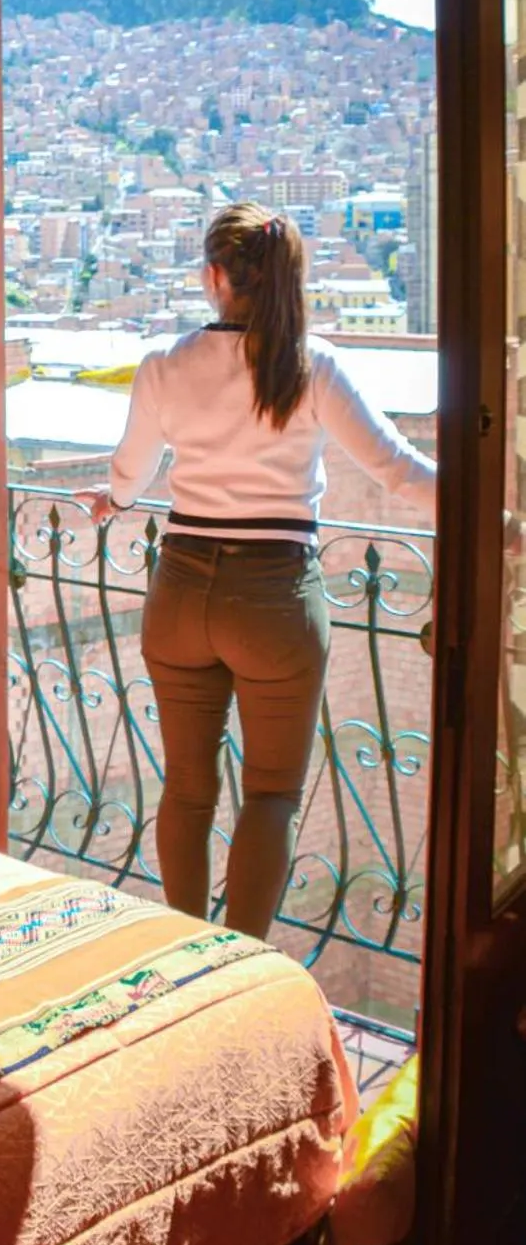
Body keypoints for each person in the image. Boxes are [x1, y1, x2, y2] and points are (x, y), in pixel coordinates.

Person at [86, 202, 437, 942]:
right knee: (271, 792)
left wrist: (111, 499)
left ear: (214, 276)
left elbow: (130, 473)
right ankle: (238, 957)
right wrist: (495, 509)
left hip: (180, 589)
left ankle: (184, 949)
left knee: (186, 787)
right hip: (275, 596)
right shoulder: (312, 366)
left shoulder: (164, 365)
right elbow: (398, 472)